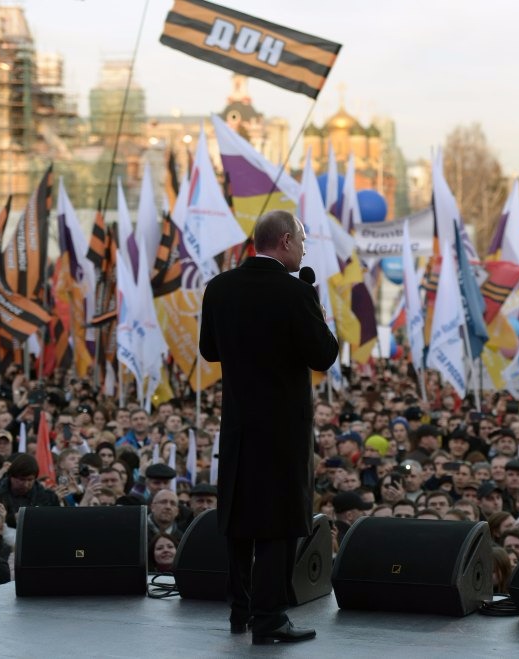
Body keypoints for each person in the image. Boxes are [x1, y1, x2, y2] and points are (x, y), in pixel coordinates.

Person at [200, 210, 339, 645]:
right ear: (283, 241)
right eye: (301, 239)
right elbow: (324, 355)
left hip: (239, 423)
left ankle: (239, 612)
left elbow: (208, 350)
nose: (303, 247)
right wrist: (313, 304)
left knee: (239, 517)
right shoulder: (294, 292)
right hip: (282, 428)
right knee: (278, 520)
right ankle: (270, 618)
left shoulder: (219, 288)